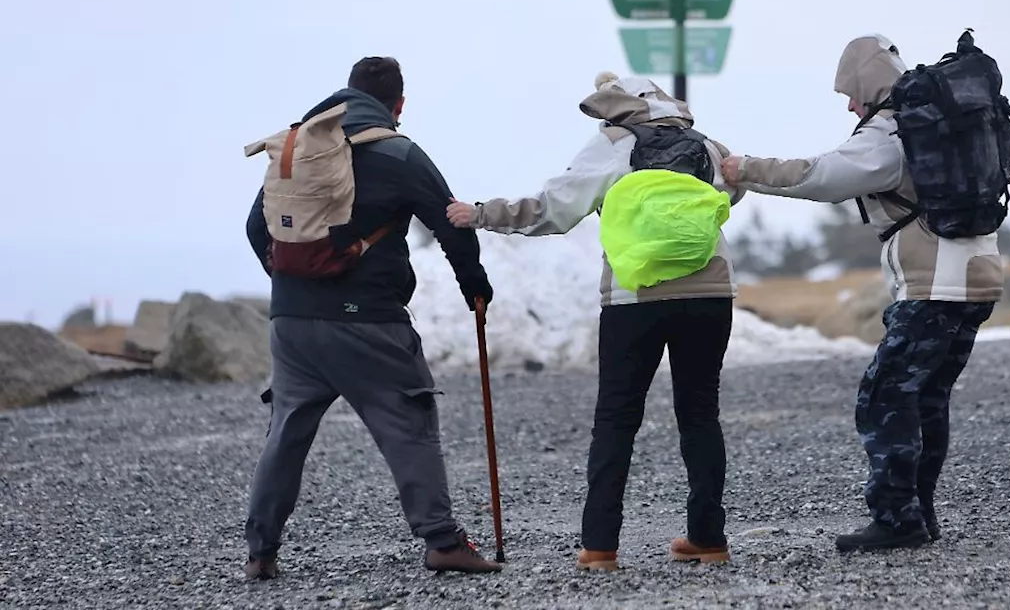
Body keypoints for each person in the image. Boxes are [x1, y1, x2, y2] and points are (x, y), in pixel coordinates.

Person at [445, 72, 744, 571]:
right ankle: (709, 538)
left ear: (617, 106)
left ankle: (601, 546)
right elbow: (732, 197)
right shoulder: (708, 146)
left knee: (617, 418)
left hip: (634, 297)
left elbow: (551, 211)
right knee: (699, 413)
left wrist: (480, 213)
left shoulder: (612, 144)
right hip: (709, 291)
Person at [721, 34, 1004, 552]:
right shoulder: (944, 119)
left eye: (851, 94)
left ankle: (897, 519)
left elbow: (821, 177)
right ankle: (919, 513)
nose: (850, 105)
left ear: (869, 86)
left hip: (933, 284)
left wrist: (746, 169)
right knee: (926, 398)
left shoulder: (891, 131)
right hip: (979, 273)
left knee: (885, 398)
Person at [242, 57, 502, 579]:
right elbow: (450, 225)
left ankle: (260, 552)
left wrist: (294, 286)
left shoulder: (297, 151)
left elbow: (256, 227)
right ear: (398, 106)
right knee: (409, 422)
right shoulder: (399, 153)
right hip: (369, 324)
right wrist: (475, 286)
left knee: (286, 431)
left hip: (290, 322)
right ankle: (442, 541)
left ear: (344, 96)